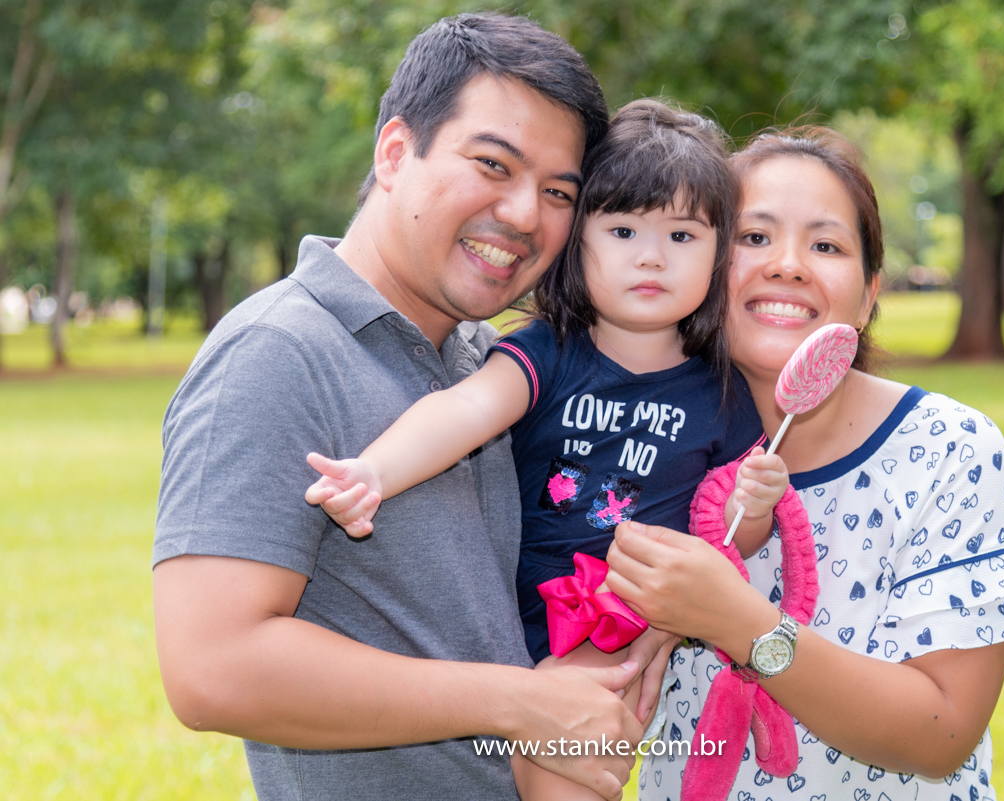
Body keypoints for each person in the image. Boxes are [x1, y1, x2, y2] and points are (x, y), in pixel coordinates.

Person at [153, 14, 654, 801]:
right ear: (395, 152)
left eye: (558, 191)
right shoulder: (276, 352)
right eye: (493, 163)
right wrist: (520, 704)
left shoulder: (491, 366)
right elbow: (211, 668)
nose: (526, 214)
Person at [303, 99, 792, 801]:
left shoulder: (721, 391)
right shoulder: (549, 351)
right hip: (508, 619)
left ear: (719, 251)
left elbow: (728, 541)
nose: (651, 256)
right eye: (623, 229)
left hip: (618, 625)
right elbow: (466, 408)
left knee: (563, 761)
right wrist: (374, 469)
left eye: (683, 235)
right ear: (578, 241)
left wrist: (756, 504)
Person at [602, 127, 1004, 801]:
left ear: (870, 291)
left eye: (826, 245)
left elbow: (941, 733)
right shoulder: (649, 447)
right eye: (753, 237)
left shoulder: (949, 448)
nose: (788, 264)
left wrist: (739, 621)